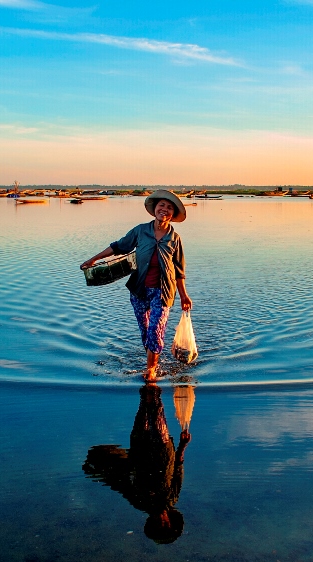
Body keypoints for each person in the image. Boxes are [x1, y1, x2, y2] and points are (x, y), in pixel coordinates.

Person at [81, 190, 193, 382]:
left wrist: (184, 295)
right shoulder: (141, 231)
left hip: (163, 292)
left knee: (156, 329)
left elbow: (179, 271)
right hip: (139, 290)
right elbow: (119, 246)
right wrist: (94, 259)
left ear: (173, 215)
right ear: (155, 209)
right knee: (146, 330)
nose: (164, 210)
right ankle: (152, 357)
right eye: (162, 206)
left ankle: (151, 369)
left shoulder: (175, 239)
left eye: (169, 208)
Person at [83, 385, 191, 544]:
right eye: (165, 524)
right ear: (169, 520)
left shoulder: (140, 501)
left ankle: (150, 376)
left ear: (151, 522)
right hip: (162, 449)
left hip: (140, 448)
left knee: (144, 404)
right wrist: (182, 445)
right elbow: (178, 469)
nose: (161, 521)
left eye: (157, 524)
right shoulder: (171, 498)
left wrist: (96, 468)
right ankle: (152, 376)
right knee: (155, 406)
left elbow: (120, 481)